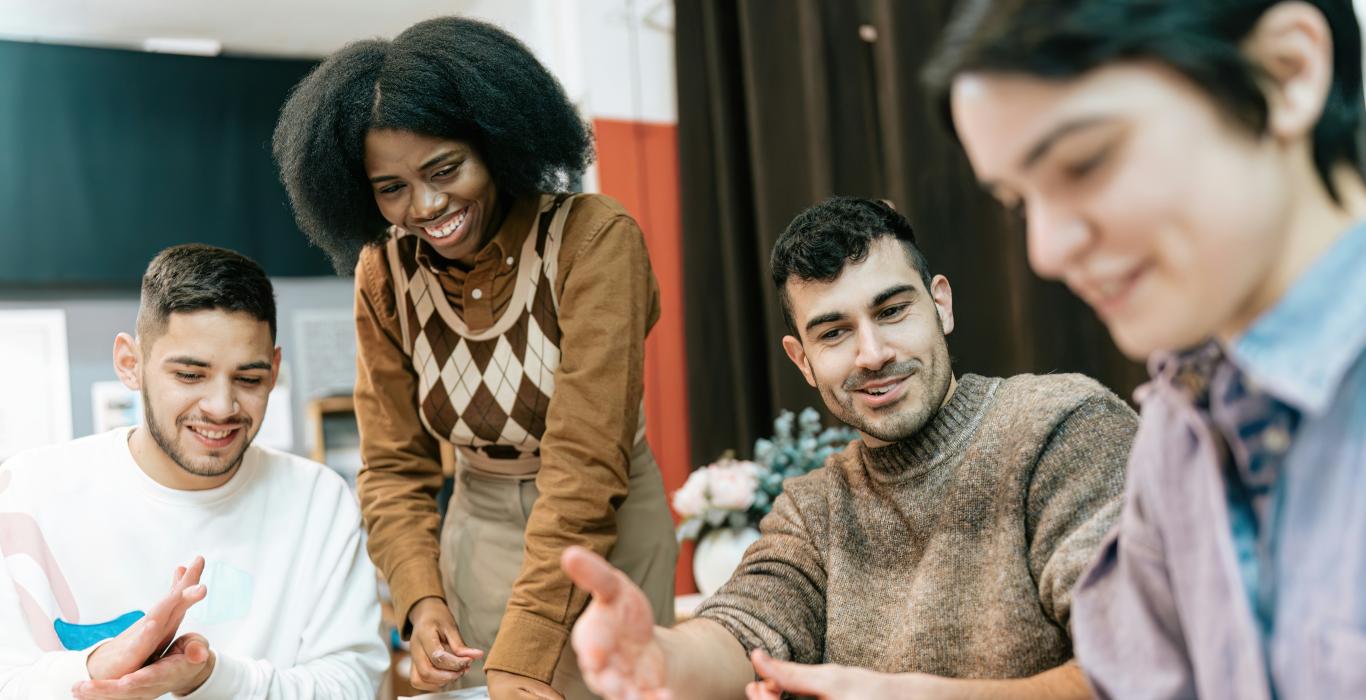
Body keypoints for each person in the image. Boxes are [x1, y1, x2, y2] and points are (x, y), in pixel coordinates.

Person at [925, 0, 1366, 697]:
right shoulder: (1181, 423)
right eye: (1019, 201)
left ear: (1288, 73)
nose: (1045, 251)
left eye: (1084, 161)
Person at [561, 197, 1138, 699]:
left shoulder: (1061, 427)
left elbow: (1145, 668)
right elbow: (744, 630)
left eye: (891, 311)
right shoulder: (815, 508)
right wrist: (659, 657)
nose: (871, 353)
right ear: (802, 360)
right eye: (834, 332)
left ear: (941, 305)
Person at [272, 16, 677, 700]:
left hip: (605, 529)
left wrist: (525, 647)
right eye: (391, 187)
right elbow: (393, 465)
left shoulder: (594, 240)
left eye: (444, 169)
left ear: (495, 142)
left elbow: (585, 464)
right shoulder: (384, 272)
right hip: (478, 528)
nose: (425, 205)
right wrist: (419, 599)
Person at [0, 244, 387, 699]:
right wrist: (94, 667)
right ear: (131, 363)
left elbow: (354, 684)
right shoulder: (29, 490)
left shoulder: (316, 499)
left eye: (249, 379)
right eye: (189, 375)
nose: (222, 407)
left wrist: (208, 677)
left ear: (274, 369)